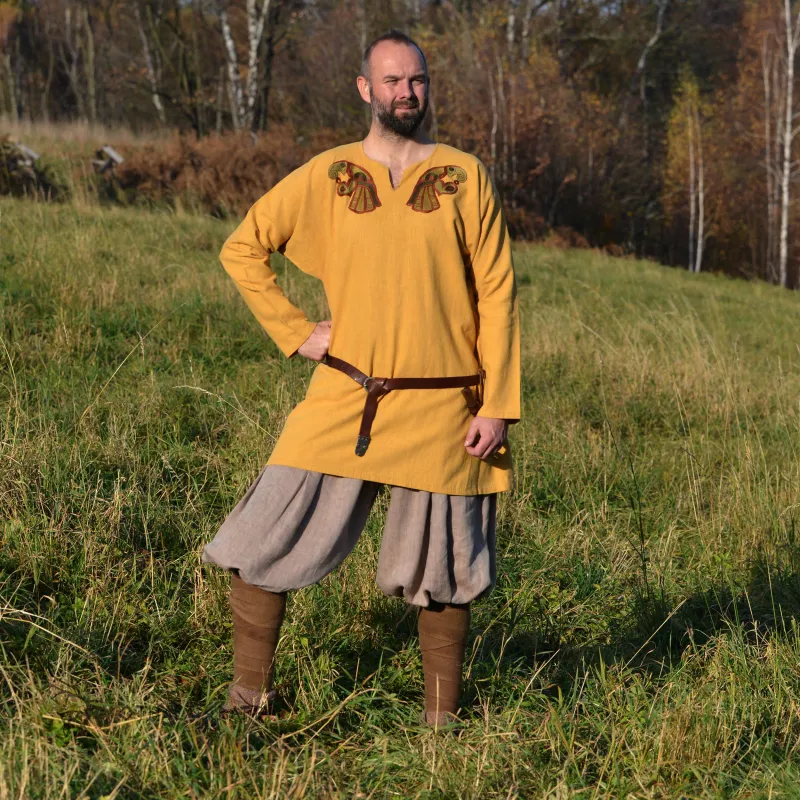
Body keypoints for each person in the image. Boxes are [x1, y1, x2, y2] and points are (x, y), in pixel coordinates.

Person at [202, 29, 520, 728]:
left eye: (417, 80)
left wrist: (497, 405)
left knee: (444, 576)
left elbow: (498, 293)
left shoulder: (466, 176)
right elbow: (243, 247)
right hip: (348, 394)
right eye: (393, 80)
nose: (407, 92)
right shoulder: (329, 173)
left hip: (445, 405)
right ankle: (246, 704)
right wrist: (297, 332)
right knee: (260, 540)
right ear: (365, 90)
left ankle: (442, 728)